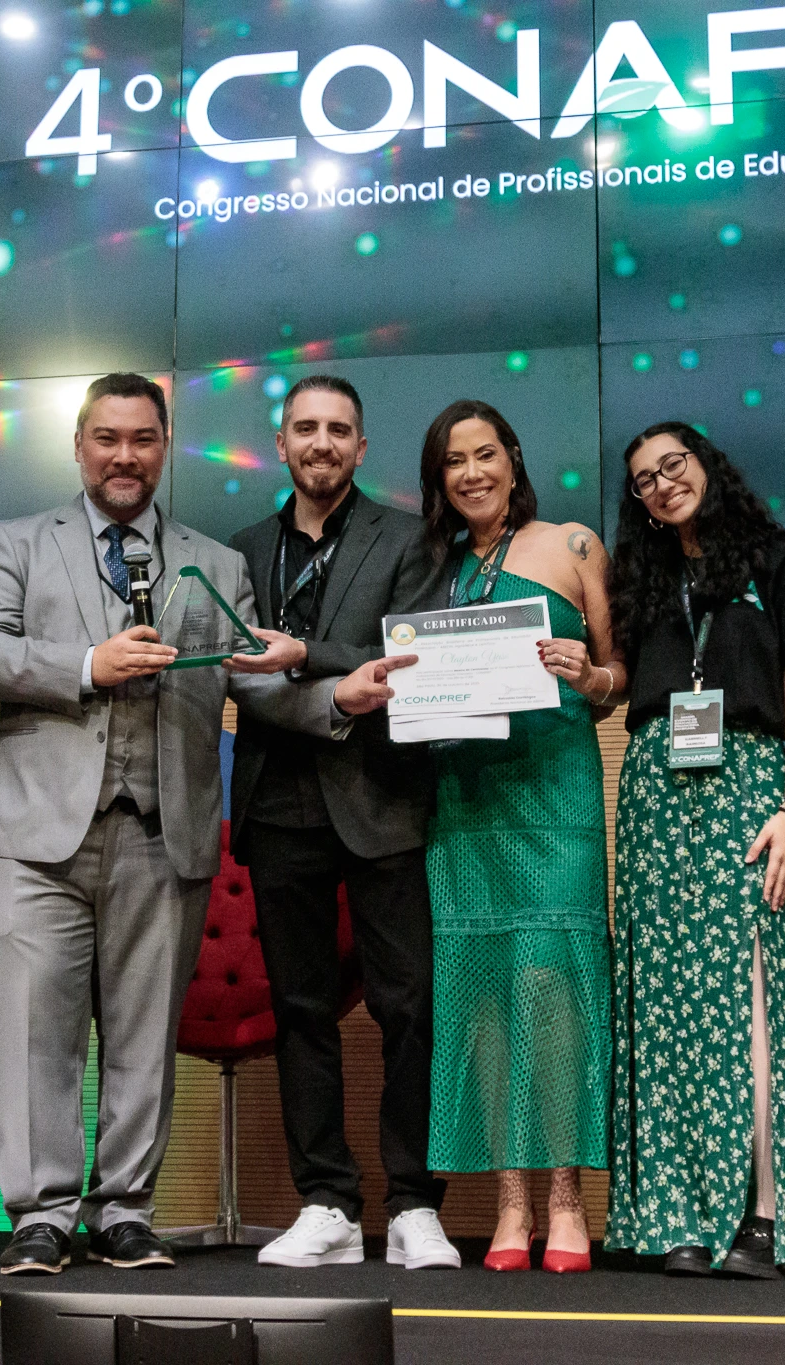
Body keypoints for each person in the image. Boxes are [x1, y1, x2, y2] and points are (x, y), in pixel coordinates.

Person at [0, 373, 400, 1275]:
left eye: (143, 439)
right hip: (40, 836)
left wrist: (334, 701)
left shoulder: (216, 563)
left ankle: (125, 1209)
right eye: (108, 438)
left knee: (144, 1037)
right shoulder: (16, 542)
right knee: (35, 1035)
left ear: (164, 448)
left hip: (166, 834)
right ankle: (41, 1213)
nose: (125, 456)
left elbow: (253, 685)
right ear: (79, 447)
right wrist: (88, 662)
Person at [226, 375, 459, 1270]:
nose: (321, 443)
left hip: (381, 796)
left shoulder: (409, 537)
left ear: (361, 448)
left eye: (338, 430)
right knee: (301, 1009)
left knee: (409, 1004)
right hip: (276, 800)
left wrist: (309, 654)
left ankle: (413, 1205)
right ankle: (325, 1200)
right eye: (305, 428)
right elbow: (239, 669)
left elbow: (415, 652)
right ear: (281, 443)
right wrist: (326, 675)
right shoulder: (244, 550)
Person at [603, 421, 785, 1279]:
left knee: (749, 996)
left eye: (674, 464)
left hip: (750, 787)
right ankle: (672, 1217)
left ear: (707, 466)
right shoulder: (642, 578)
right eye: (644, 479)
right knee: (661, 1003)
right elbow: (617, 682)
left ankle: (762, 1218)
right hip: (653, 792)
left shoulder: (782, 562)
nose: (663, 483)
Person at [415, 399, 622, 1273]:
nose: (472, 473)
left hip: (555, 789)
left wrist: (591, 675)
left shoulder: (573, 545)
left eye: (485, 454)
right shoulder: (427, 565)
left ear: (513, 457)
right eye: (454, 460)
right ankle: (509, 1201)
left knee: (553, 984)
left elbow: (620, 673)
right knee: (488, 994)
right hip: (466, 802)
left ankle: (567, 1196)